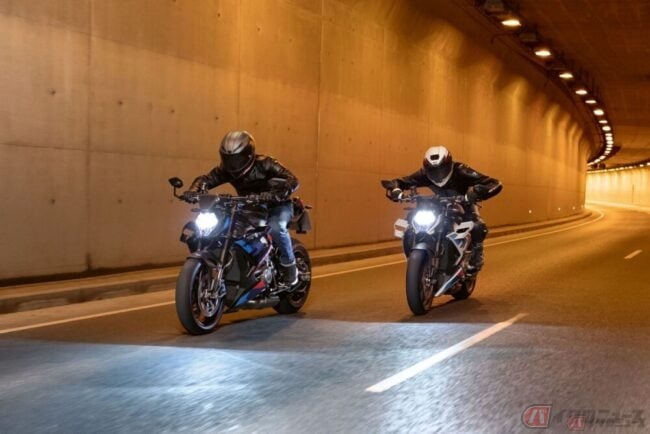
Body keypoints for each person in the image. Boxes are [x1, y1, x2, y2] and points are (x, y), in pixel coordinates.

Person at [181, 131, 300, 285]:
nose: (233, 164)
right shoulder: (226, 170)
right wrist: (194, 190)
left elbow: (292, 180)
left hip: (277, 205)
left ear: (248, 155)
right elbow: (207, 179)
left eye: (237, 159)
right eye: (228, 159)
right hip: (250, 206)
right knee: (225, 226)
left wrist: (277, 193)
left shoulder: (266, 163)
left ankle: (289, 265)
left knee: (276, 226)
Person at [382, 145, 502, 272]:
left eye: (441, 169)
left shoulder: (461, 170)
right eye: (432, 170)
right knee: (412, 218)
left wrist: (477, 192)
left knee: (477, 225)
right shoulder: (424, 174)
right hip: (438, 204)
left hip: (465, 203)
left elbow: (494, 183)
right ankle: (418, 252)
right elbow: (400, 181)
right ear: (426, 168)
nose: (437, 174)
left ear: (449, 164)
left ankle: (477, 254)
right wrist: (396, 190)